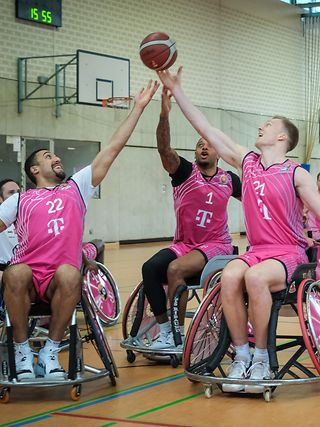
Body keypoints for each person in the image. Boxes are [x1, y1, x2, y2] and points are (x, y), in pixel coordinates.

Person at [156, 67, 320, 392]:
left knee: (255, 279)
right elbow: (206, 127)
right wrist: (177, 91)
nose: (262, 126)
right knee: (229, 276)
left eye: (269, 125)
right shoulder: (247, 162)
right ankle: (241, 356)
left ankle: (262, 360)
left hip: (288, 253)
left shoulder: (296, 174)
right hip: (257, 251)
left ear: (282, 138)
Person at [0, 80, 159, 380]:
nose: (55, 158)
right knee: (14, 272)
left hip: (61, 279)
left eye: (55, 155)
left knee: (71, 272)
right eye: (47, 156)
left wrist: (138, 108)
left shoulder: (77, 188)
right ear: (34, 170)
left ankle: (49, 353)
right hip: (29, 279)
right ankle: (21, 352)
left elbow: (112, 149)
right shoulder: (20, 199)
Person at [142, 86, 241, 350]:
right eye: (199, 144)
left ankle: (177, 334)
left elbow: (254, 202)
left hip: (216, 245)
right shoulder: (184, 172)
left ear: (219, 153)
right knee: (150, 268)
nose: (204, 147)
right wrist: (164, 114)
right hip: (185, 243)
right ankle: (165, 331)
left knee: (175, 269)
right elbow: (164, 148)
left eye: (209, 144)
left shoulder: (229, 179)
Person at [0, 179, 20, 282]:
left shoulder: (27, 218)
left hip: (23, 273)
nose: (16, 196)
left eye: (18, 192)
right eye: (11, 192)